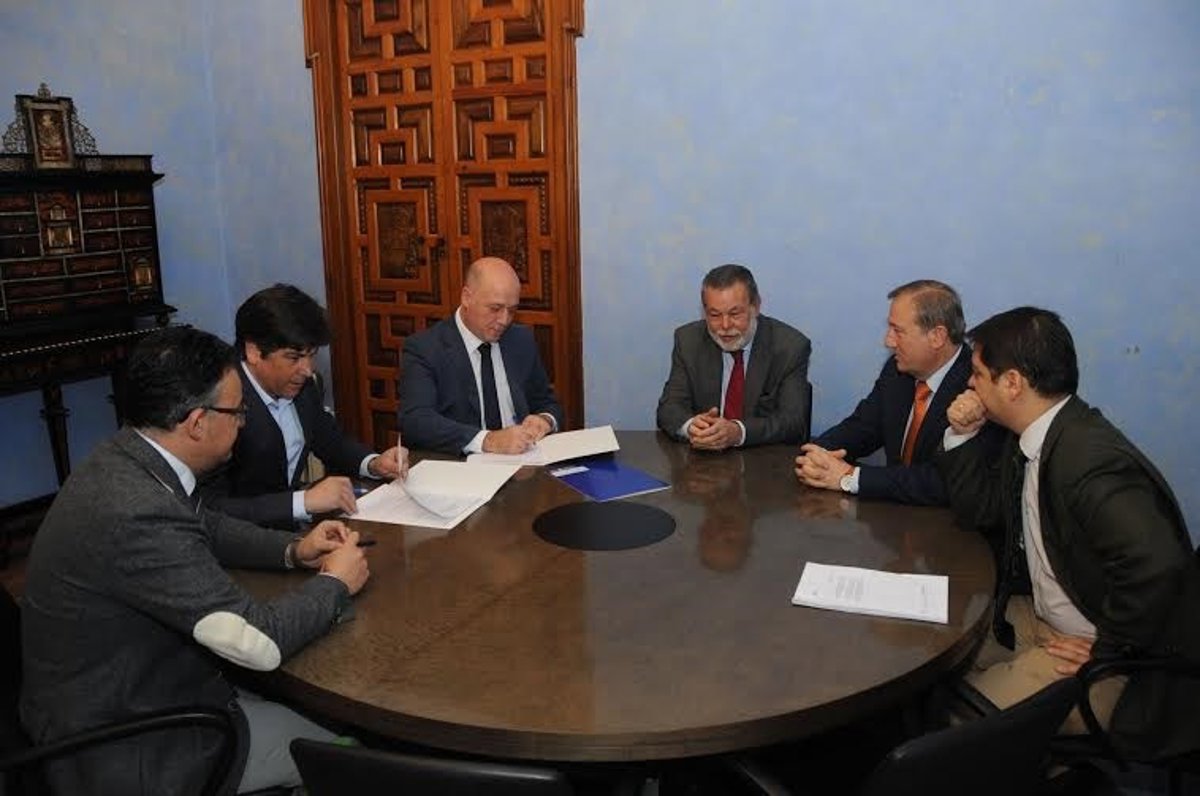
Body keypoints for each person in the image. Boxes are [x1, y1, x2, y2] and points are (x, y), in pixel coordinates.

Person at [20, 326, 371, 795]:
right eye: (238, 411)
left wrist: (292, 550)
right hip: (133, 742)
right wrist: (335, 583)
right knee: (349, 754)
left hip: (141, 687)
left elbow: (204, 522)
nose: (243, 423)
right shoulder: (136, 511)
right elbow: (258, 643)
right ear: (198, 422)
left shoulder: (128, 457)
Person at [938, 306, 1200, 760]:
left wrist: (1111, 650)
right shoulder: (1038, 435)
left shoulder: (1089, 459)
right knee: (931, 654)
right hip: (1044, 615)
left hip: (1111, 661)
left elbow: (1159, 564)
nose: (970, 384)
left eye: (977, 374)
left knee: (958, 737)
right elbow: (981, 510)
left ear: (1012, 383)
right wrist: (961, 434)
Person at [200, 284, 408, 529]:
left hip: (292, 529)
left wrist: (373, 463)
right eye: (294, 357)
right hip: (238, 540)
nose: (307, 370)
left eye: (311, 355)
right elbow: (209, 508)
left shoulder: (304, 386)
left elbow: (329, 440)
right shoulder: (218, 404)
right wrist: (301, 502)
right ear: (254, 351)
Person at [796, 279, 972, 504]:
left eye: (898, 331)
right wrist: (818, 454)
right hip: (895, 514)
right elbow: (863, 427)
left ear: (937, 336)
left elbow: (942, 481)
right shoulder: (897, 371)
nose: (888, 341)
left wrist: (851, 477)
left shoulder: (977, 386)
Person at [399, 256, 563, 454]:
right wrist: (488, 440)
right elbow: (416, 421)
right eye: (495, 309)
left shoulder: (520, 340)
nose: (504, 320)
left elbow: (546, 401)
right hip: (462, 465)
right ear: (466, 298)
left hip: (522, 459)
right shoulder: (425, 348)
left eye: (512, 311)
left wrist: (545, 419)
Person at [656, 264, 811, 450]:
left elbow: (793, 422)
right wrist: (692, 427)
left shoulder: (790, 347)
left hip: (762, 458)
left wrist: (738, 432)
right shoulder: (688, 340)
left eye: (735, 313)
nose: (725, 325)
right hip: (702, 458)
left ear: (756, 306)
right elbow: (669, 408)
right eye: (714, 315)